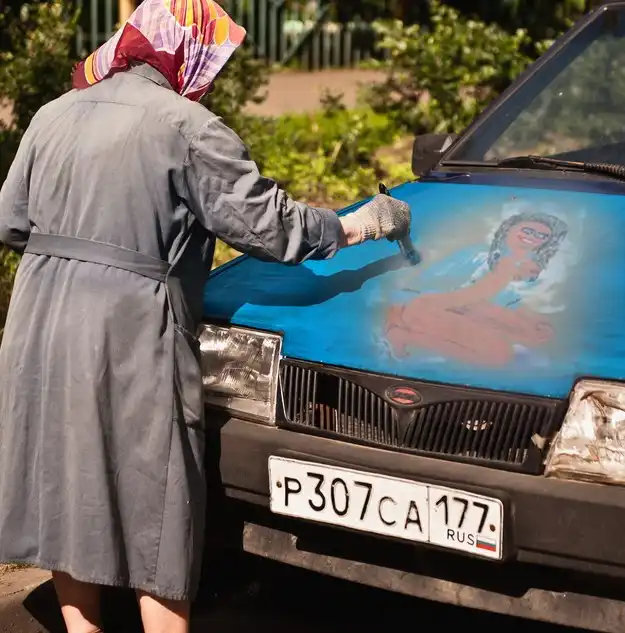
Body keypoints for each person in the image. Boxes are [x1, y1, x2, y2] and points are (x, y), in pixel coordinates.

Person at [0, 1, 411, 632]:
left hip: (38, 319)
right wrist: (358, 224)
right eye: (213, 62)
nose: (213, 78)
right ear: (186, 52)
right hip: (128, 326)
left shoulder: (53, 113)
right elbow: (269, 227)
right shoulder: (186, 127)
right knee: (158, 492)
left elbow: (11, 222)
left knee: (66, 477)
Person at [384, 212, 564, 366]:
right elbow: (425, 286)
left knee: (506, 349)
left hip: (470, 315)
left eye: (542, 236)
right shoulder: (477, 257)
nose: (534, 237)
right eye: (528, 230)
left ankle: (405, 336)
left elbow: (510, 307)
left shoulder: (531, 272)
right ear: (508, 230)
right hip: (429, 308)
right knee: (499, 354)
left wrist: (533, 326)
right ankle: (404, 336)